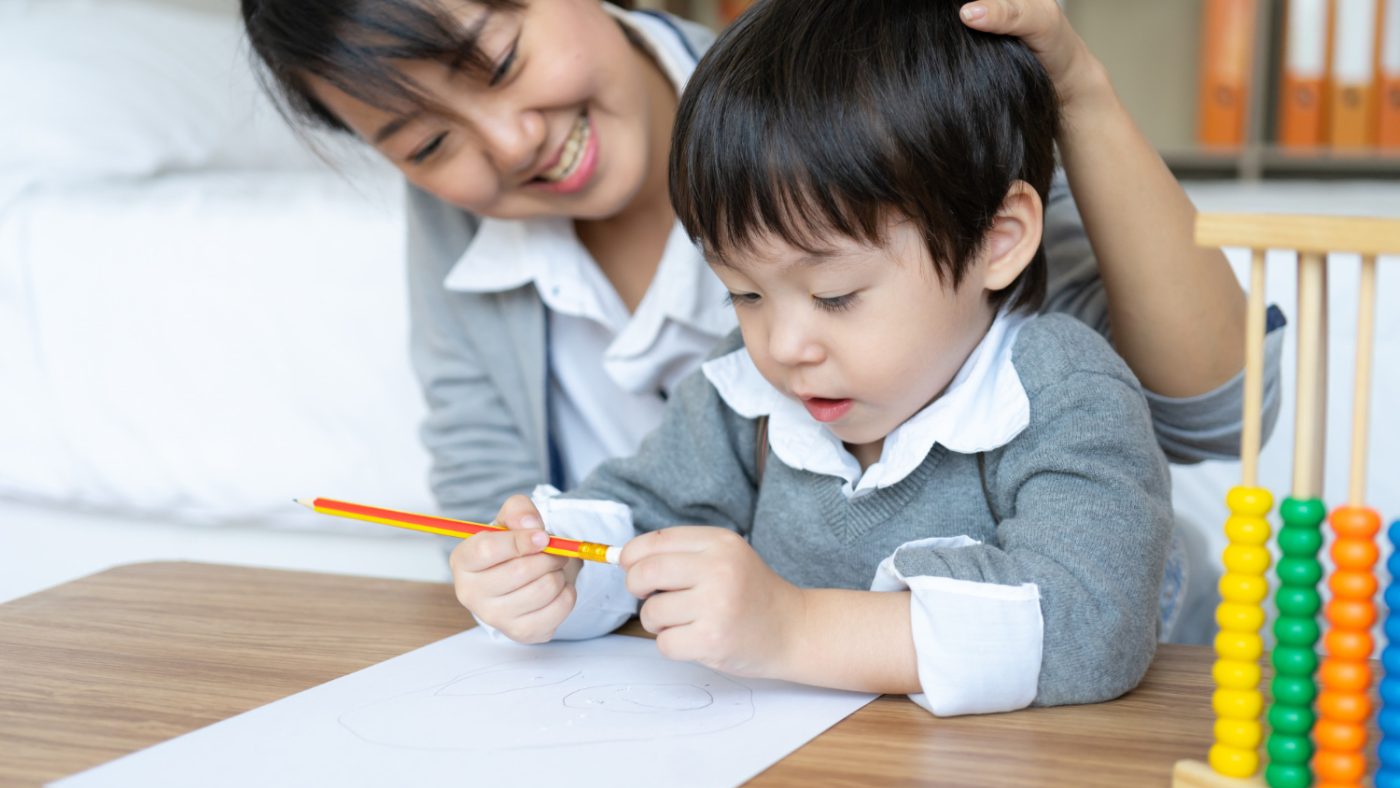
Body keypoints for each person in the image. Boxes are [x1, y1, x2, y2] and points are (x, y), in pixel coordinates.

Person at [240, 0, 1283, 523]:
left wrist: (1081, 93)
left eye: (503, 61)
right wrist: (519, 575)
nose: (506, 144)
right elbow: (486, 496)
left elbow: (1217, 416)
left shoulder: (852, 114)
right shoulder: (459, 217)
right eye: (424, 145)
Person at [452, 0, 1173, 715]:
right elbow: (640, 515)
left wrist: (793, 628)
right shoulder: (748, 393)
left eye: (835, 296)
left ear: (998, 239)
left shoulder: (1062, 392)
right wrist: (557, 567)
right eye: (744, 294)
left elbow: (1091, 626)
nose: (784, 347)